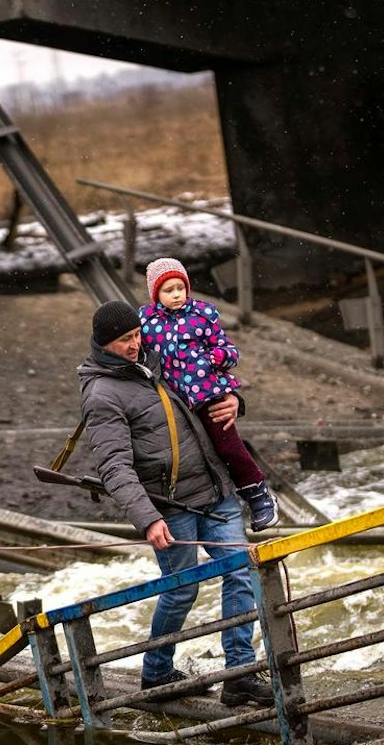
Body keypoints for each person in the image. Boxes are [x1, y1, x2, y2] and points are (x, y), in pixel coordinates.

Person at [78, 300, 275, 706]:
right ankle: (156, 673)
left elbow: (208, 385)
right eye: (123, 341)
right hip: (169, 506)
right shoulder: (102, 394)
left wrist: (235, 400)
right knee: (183, 589)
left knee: (240, 574)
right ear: (102, 344)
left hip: (215, 492)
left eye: (135, 335)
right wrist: (148, 519)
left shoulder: (160, 360)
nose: (133, 345)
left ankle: (240, 674)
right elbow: (114, 467)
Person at [140, 257, 278, 532]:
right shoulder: (146, 321)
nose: (177, 294)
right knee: (193, 451)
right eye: (168, 290)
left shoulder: (203, 314)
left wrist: (216, 358)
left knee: (227, 445)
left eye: (181, 287)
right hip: (174, 400)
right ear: (156, 294)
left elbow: (230, 350)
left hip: (207, 392)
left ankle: (259, 495)